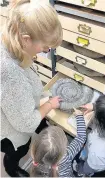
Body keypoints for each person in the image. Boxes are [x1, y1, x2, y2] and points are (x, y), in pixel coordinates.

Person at [1, 0, 62, 176]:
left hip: (17, 109)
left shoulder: (11, 40)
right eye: (45, 47)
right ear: (26, 40)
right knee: (18, 150)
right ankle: (11, 168)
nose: (46, 51)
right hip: (9, 131)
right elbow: (26, 123)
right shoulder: (9, 73)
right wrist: (49, 104)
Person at [30, 109, 86, 177]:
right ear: (64, 147)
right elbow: (81, 138)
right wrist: (79, 116)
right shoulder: (66, 155)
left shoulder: (36, 159)